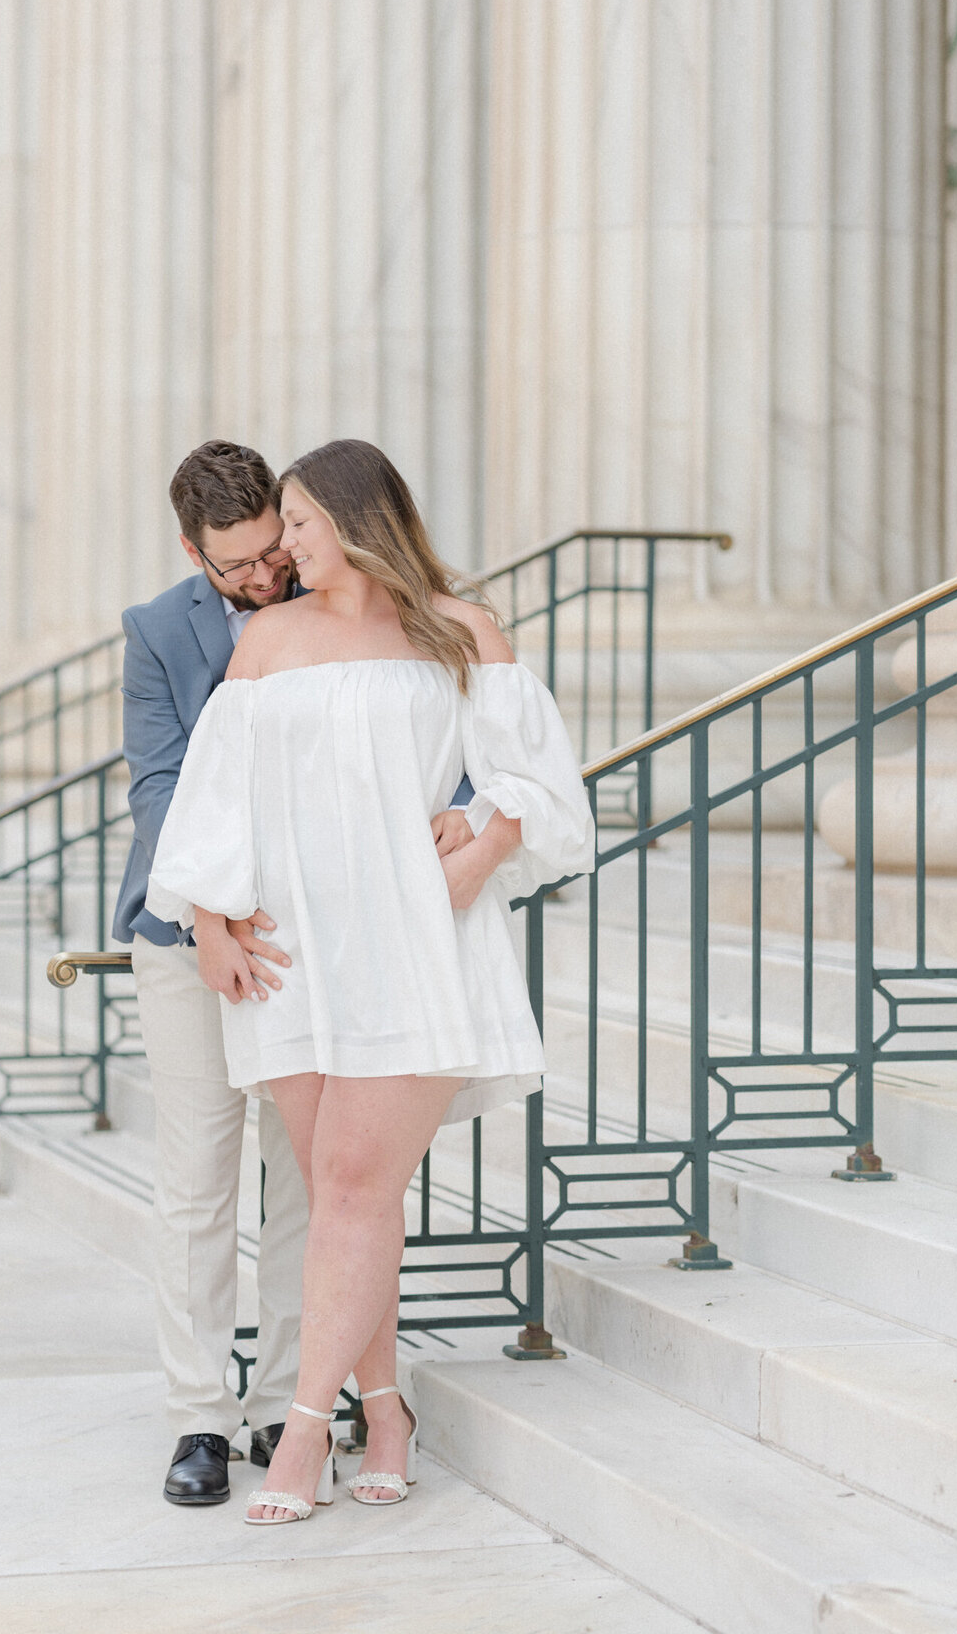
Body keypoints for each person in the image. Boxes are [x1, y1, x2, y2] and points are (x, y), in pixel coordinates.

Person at [146, 439, 596, 1524]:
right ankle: (384, 1408)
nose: (283, 547)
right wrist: (208, 921)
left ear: (355, 520)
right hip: (294, 959)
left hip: (408, 949)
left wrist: (485, 838)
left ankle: (305, 1435)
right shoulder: (269, 640)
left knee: (350, 1190)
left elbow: (543, 784)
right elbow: (216, 798)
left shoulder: (458, 630)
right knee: (356, 1200)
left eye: (297, 524)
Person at [114, 440, 476, 1509]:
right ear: (194, 552)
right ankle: (197, 1418)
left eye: (276, 547)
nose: (265, 573)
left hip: (321, 946)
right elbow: (168, 786)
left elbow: (415, 736)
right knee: (198, 1185)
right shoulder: (156, 634)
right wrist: (215, 918)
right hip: (197, 943)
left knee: (313, 1182)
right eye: (238, 567)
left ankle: (285, 1396)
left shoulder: (349, 606)